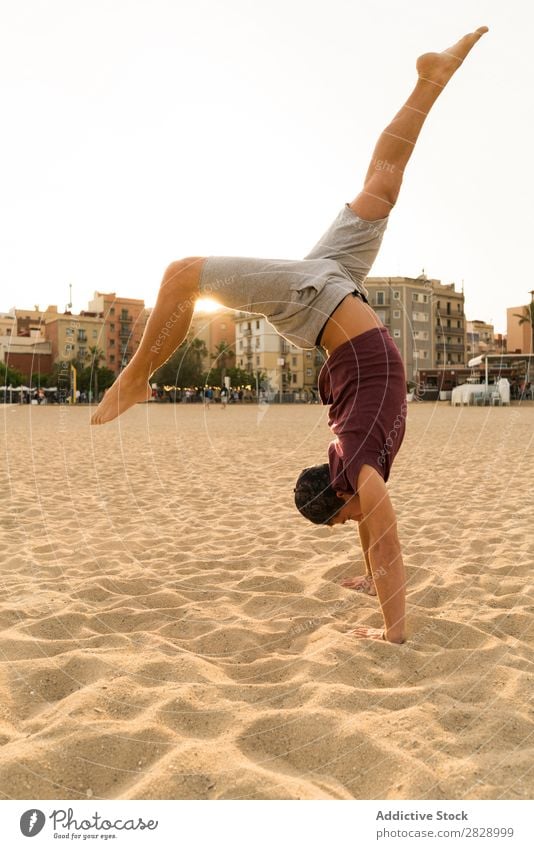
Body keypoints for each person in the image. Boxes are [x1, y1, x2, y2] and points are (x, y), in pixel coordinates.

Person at [91, 27, 488, 643]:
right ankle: (429, 81)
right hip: (337, 305)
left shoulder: (358, 469)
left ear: (338, 497)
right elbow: (371, 529)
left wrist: (393, 631)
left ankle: (137, 375)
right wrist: (365, 572)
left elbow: (384, 542)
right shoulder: (358, 466)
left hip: (319, 307)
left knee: (182, 273)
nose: (356, 518)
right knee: (381, 188)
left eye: (342, 519)